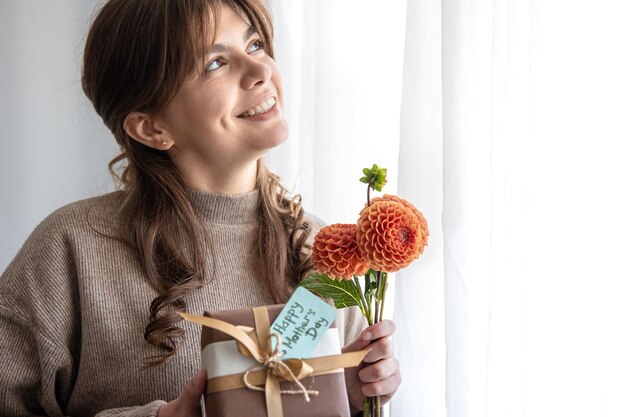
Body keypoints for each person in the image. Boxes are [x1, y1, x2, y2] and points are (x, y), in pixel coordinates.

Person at [0, 0, 401, 416]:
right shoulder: (71, 247)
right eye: (215, 63)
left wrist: (354, 399)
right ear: (151, 127)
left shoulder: (326, 251)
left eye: (255, 43)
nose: (261, 70)